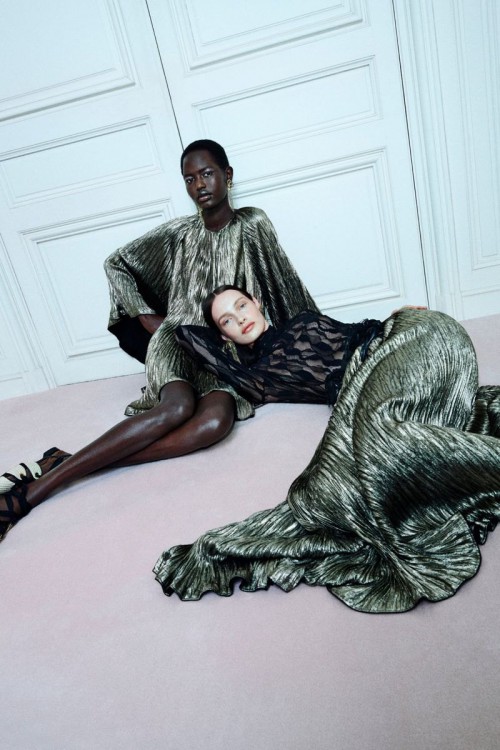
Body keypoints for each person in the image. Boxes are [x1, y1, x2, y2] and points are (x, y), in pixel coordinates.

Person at [0, 142, 317, 542]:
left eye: (207, 174)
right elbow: (117, 263)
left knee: (215, 424)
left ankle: (66, 461)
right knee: (177, 408)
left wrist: (318, 345)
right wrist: (150, 320)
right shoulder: (180, 233)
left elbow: (282, 283)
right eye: (190, 178)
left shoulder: (253, 224)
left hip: (222, 352)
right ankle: (32, 494)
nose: (199, 185)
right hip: (177, 342)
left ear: (228, 176)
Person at [153, 286, 500, 613]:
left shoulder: (303, 322)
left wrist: (396, 316)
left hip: (413, 338)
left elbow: (365, 333)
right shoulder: (256, 379)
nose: (240, 317)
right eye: (227, 320)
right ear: (224, 337)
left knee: (376, 432)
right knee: (362, 461)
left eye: (242, 305)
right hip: (382, 386)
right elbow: (185, 335)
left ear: (257, 302)